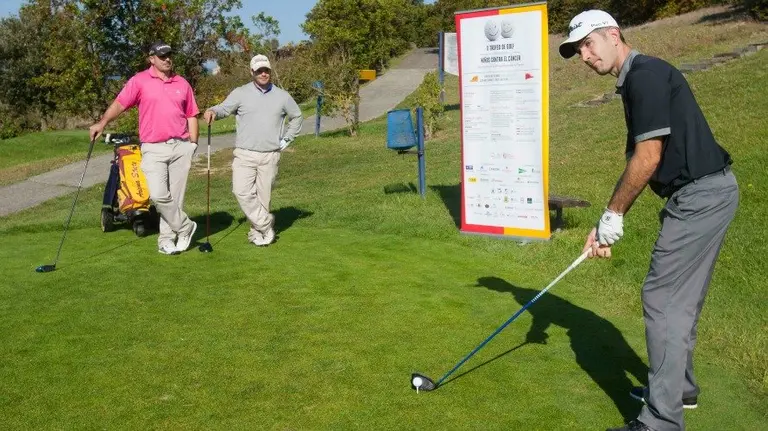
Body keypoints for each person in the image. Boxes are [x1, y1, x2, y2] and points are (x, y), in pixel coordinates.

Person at [559, 10, 739, 431]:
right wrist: (606, 223)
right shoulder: (636, 81)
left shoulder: (645, 76)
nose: (585, 56)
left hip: (700, 197)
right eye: (578, 50)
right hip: (706, 194)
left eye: (589, 44)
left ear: (613, 35)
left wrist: (612, 215)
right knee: (680, 301)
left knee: (662, 300)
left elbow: (648, 158)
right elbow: (637, 163)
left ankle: (661, 420)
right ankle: (679, 390)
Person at [90, 41, 200, 255]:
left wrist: (193, 144)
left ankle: (167, 239)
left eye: (169, 55)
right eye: (162, 56)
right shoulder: (140, 81)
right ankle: (186, 227)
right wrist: (102, 123)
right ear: (151, 59)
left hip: (181, 146)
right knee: (159, 196)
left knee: (175, 198)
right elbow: (120, 104)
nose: (167, 59)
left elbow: (191, 114)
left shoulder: (182, 83)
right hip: (153, 147)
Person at [203, 54, 303, 246]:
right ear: (252, 72)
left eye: (266, 70)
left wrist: (287, 139)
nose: (263, 74)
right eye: (259, 71)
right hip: (244, 153)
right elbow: (224, 108)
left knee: (263, 197)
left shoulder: (282, 96)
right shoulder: (240, 93)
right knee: (241, 191)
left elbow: (297, 117)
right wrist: (213, 111)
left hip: (270, 154)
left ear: (270, 71)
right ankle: (266, 223)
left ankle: (259, 233)